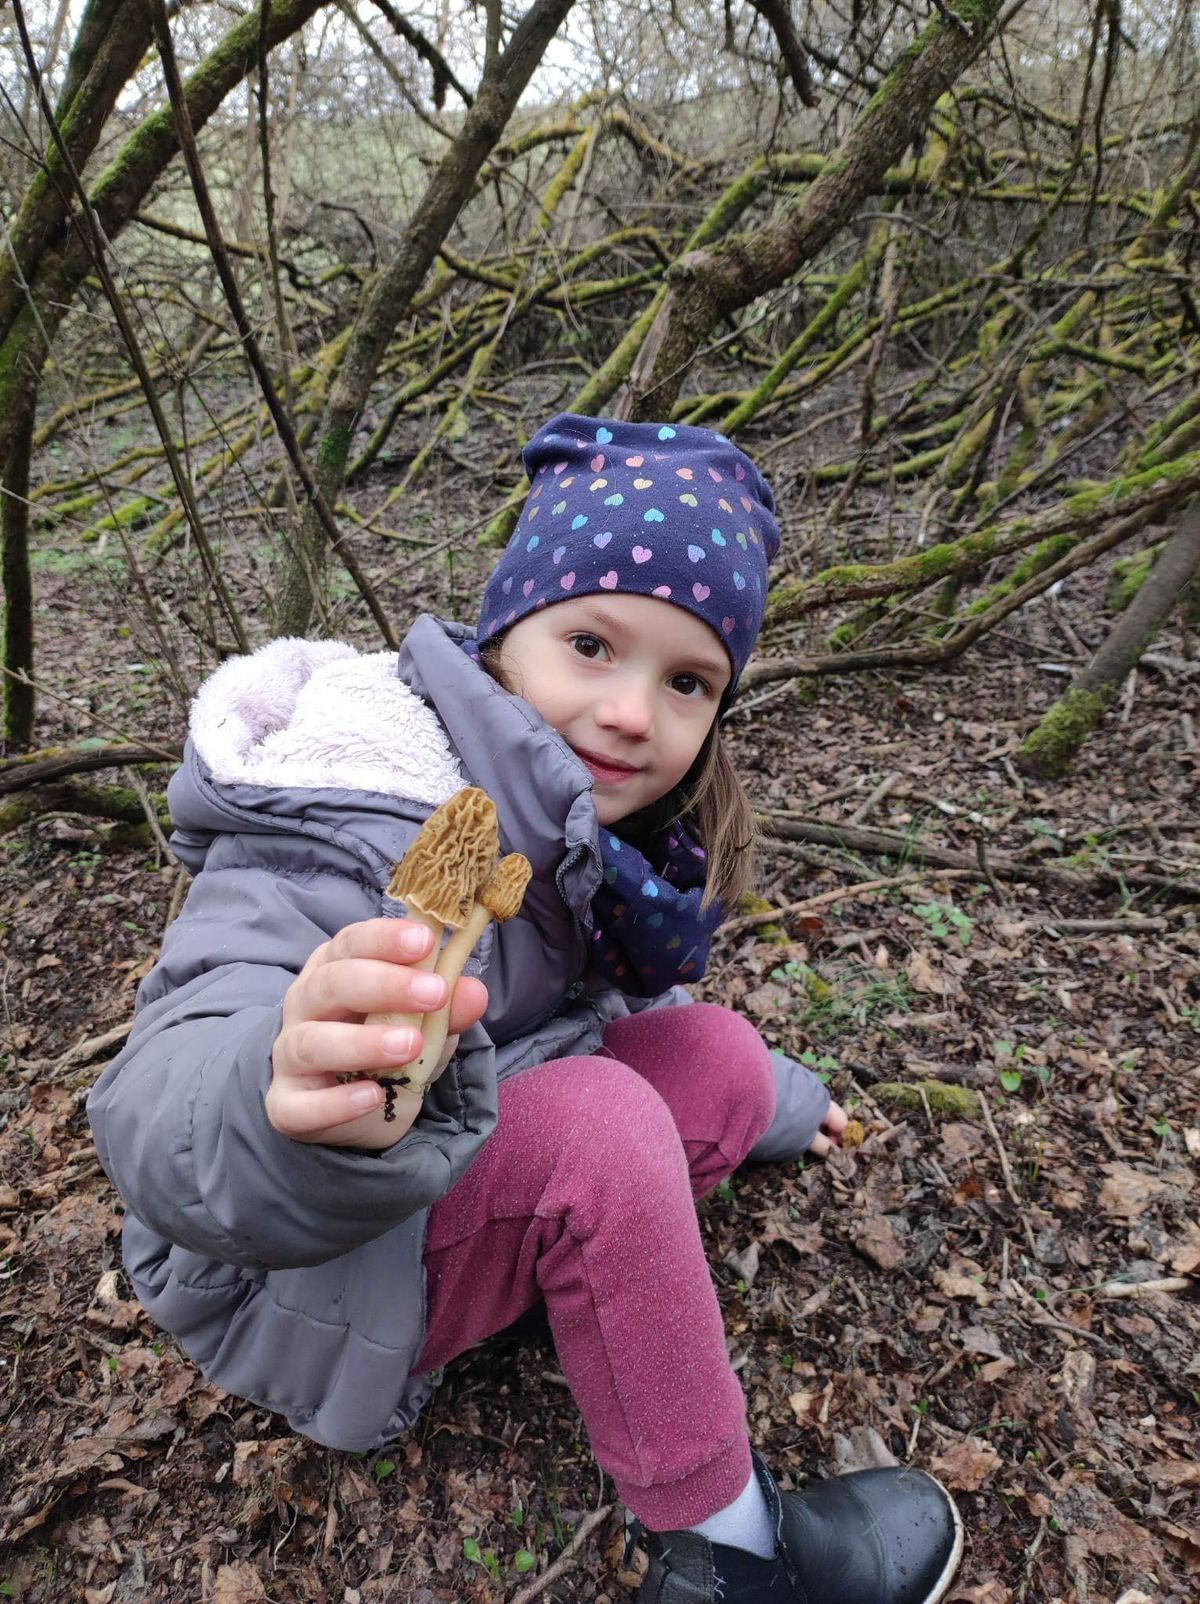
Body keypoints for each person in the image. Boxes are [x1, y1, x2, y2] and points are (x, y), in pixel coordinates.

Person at [89, 414, 962, 1604]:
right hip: (295, 1260)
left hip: (451, 1171)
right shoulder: (392, 807)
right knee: (602, 1118)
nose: (630, 713)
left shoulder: (583, 832)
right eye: (592, 644)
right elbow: (171, 1085)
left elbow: (604, 1016)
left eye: (687, 679)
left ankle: (594, 1271)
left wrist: (782, 1100)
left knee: (709, 1046)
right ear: (507, 633)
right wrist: (276, 1083)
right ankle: (732, 1551)